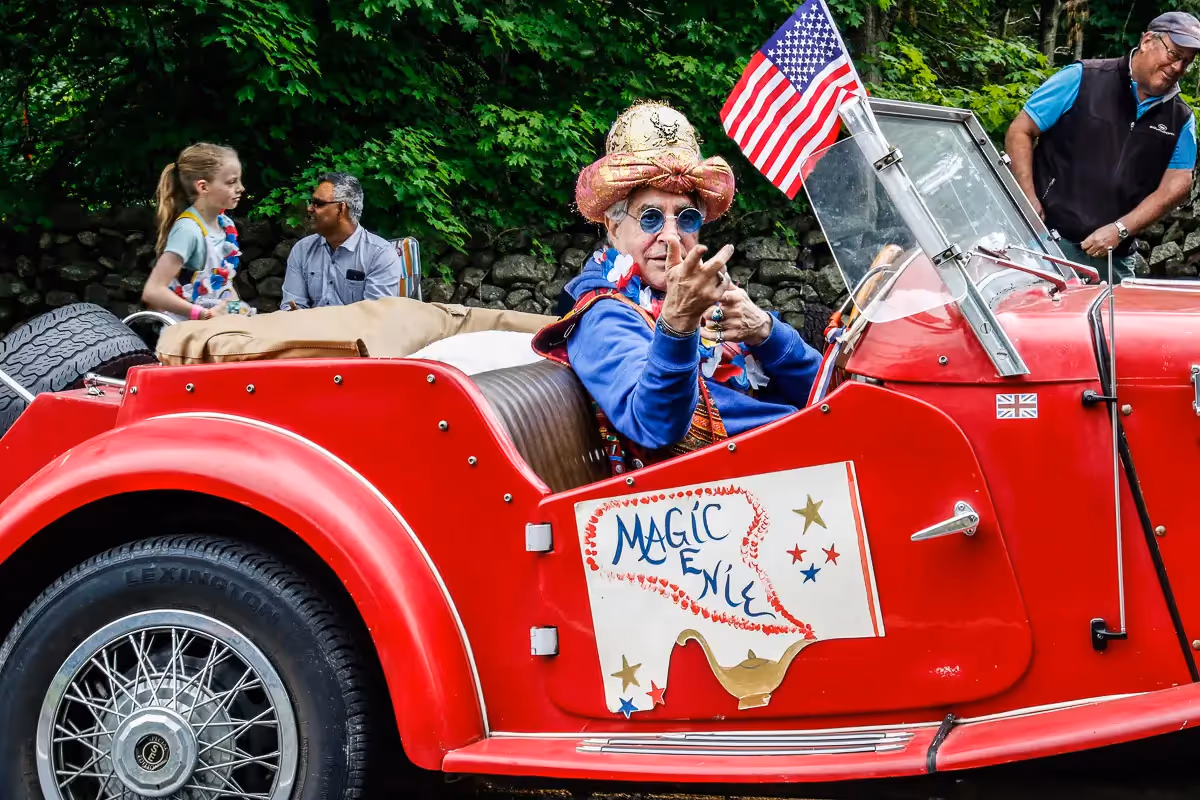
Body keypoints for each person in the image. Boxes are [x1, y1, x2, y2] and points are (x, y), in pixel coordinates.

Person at [533, 103, 821, 473]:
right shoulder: (601, 311)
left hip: (801, 459)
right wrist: (678, 323)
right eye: (651, 217)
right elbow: (655, 425)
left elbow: (825, 395)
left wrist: (765, 331)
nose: (670, 235)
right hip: (720, 498)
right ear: (613, 227)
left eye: (686, 218)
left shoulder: (712, 296)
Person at [1005, 12, 1200, 279]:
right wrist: (1027, 199)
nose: (1178, 68)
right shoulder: (1083, 78)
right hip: (1043, 241)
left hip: (1112, 259)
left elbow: (1178, 183)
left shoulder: (1181, 118)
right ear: (1146, 41)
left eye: (1186, 62)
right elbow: (1021, 131)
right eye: (1174, 54)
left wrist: (1120, 229)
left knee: (1108, 323)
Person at [145, 143, 255, 321]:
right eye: (231, 182)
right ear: (203, 187)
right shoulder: (188, 230)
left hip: (217, 328)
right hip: (185, 334)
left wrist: (237, 311)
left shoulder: (225, 225)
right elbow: (154, 292)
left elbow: (224, 285)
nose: (241, 188)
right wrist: (203, 313)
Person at [281, 172, 406, 310]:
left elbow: (375, 318)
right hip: (308, 330)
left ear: (341, 209)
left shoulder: (380, 255)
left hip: (358, 331)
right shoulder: (302, 250)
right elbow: (291, 307)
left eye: (318, 204)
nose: (309, 208)